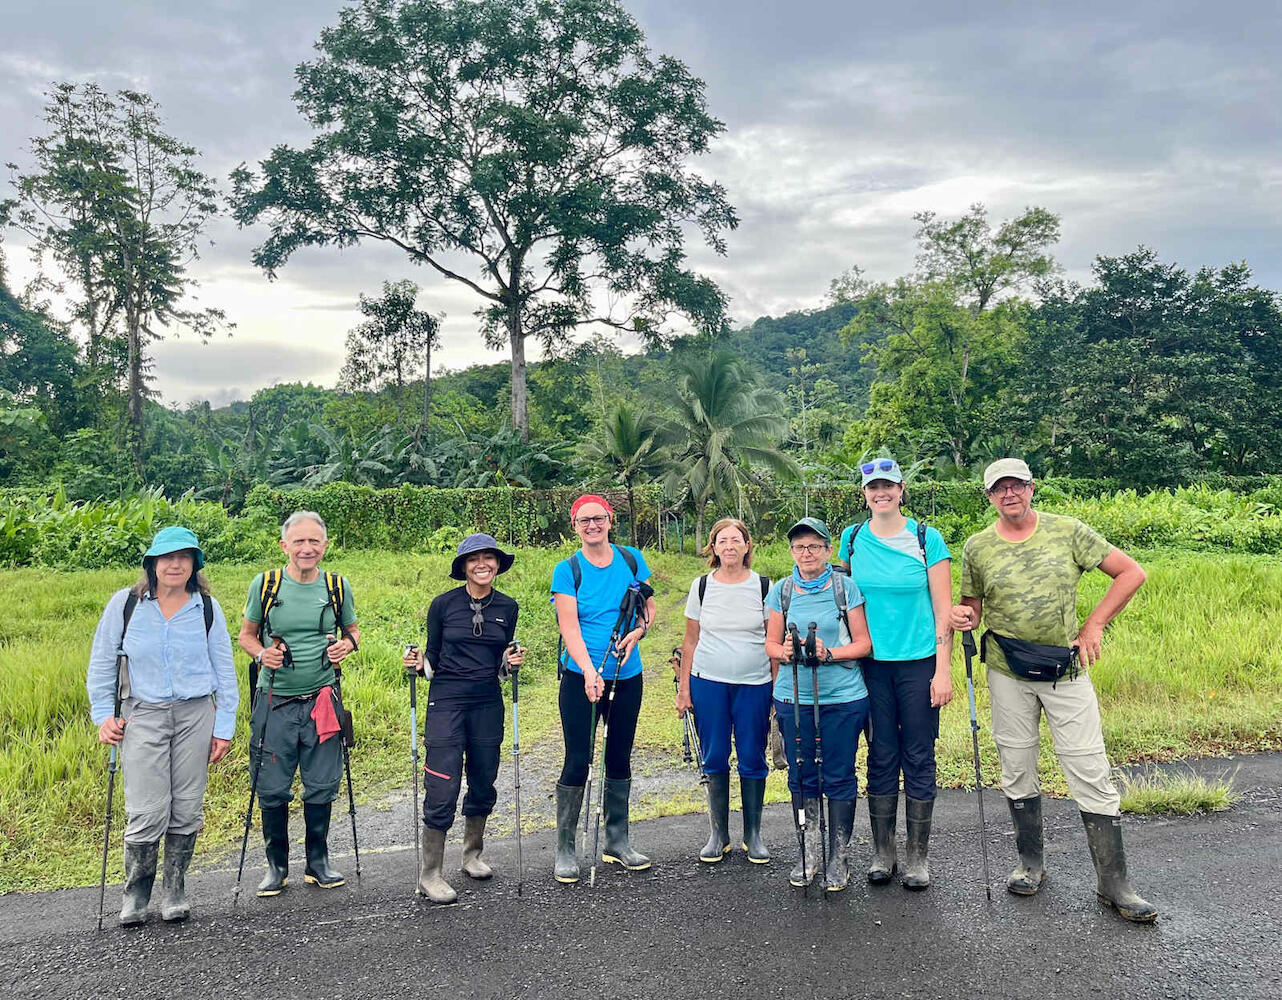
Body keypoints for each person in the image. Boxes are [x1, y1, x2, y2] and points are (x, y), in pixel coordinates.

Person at [950, 458, 1156, 922]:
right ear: (989, 497)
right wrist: (963, 617)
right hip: (1006, 671)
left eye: (1016, 485)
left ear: (1031, 487)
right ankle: (1030, 864)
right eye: (999, 488)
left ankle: (1114, 883)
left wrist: (1095, 625)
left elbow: (1131, 573)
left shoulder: (1069, 531)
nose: (1009, 494)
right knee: (1017, 764)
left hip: (1066, 669)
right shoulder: (977, 547)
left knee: (1088, 766)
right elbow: (972, 608)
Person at [87, 526, 238, 925]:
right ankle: (136, 893)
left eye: (184, 557)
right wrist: (103, 716)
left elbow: (225, 671)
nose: (175, 564)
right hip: (143, 715)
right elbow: (102, 665)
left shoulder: (206, 608)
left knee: (187, 808)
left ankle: (175, 889)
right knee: (147, 810)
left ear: (194, 565)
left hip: (195, 715)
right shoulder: (126, 605)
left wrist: (224, 726)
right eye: (166, 557)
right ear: (152, 564)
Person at [838, 459, 953, 890]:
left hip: (919, 661)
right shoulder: (851, 540)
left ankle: (917, 857)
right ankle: (883, 852)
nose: (880, 493)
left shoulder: (926, 538)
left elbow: (944, 612)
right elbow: (845, 603)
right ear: (864, 493)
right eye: (872, 487)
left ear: (902, 489)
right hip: (869, 664)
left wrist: (943, 672)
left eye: (887, 486)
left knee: (919, 754)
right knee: (881, 753)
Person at [237, 511, 360, 898]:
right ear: (284, 546)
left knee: (322, 783)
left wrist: (348, 645)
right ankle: (276, 866)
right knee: (271, 786)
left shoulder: (337, 586)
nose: (307, 548)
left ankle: (318, 862)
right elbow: (246, 636)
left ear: (325, 545)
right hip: (274, 702)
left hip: (323, 698)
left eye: (315, 541)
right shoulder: (267, 584)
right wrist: (261, 656)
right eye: (299, 541)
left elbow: (353, 631)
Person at [403, 533, 523, 904]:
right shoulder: (442, 605)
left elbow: (501, 661)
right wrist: (417, 661)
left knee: (484, 780)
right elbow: (433, 657)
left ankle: (472, 855)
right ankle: (430, 874)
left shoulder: (509, 606)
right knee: (442, 785)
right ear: (463, 567)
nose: (482, 564)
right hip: (447, 701)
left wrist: (510, 661)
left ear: (498, 564)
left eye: (489, 558)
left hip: (488, 701)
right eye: (474, 559)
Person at [551, 494, 657, 883]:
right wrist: (588, 670)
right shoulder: (567, 570)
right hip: (581, 677)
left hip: (627, 676)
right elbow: (570, 627)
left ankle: (617, 841)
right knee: (578, 758)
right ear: (574, 526)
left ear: (610, 520)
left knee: (619, 756)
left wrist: (639, 633)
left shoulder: (631, 560)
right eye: (584, 520)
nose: (592, 525)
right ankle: (565, 848)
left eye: (598, 518)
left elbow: (647, 607)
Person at [764, 517, 873, 891]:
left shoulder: (846, 588)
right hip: (794, 696)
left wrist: (829, 653)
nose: (806, 553)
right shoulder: (781, 591)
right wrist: (787, 651)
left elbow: (863, 644)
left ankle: (838, 857)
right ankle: (809, 852)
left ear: (828, 550)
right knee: (801, 773)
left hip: (842, 697)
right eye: (799, 547)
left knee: (840, 773)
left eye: (814, 546)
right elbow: (772, 645)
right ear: (791, 552)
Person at [675, 518, 773, 865]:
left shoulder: (763, 586)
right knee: (714, 754)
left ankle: (753, 834)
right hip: (708, 681)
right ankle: (719, 834)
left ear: (747, 546)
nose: (729, 546)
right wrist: (684, 689)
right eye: (722, 540)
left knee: (751, 755)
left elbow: (771, 638)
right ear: (713, 548)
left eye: (736, 540)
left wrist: (776, 687)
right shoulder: (701, 586)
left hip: (755, 683)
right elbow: (691, 640)